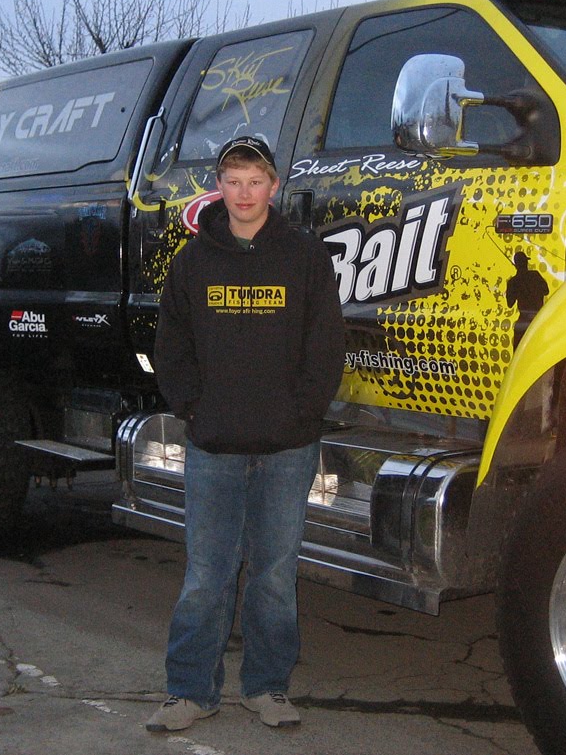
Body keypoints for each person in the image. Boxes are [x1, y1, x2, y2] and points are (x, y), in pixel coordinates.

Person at [147, 135, 345, 732]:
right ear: (220, 186)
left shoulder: (305, 256)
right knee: (207, 574)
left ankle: (268, 688)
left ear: (273, 186)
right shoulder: (193, 261)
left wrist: (304, 414)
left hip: (289, 446)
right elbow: (171, 344)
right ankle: (190, 690)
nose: (243, 193)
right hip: (214, 444)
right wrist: (193, 409)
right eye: (232, 181)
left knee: (274, 576)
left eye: (254, 180)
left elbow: (326, 343)